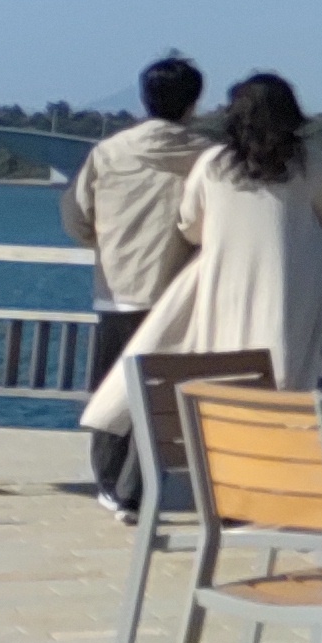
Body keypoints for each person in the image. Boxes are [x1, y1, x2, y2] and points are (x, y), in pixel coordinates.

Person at [79, 74, 322, 477]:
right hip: (293, 295)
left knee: (222, 374)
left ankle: (216, 473)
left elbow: (190, 225)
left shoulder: (214, 164)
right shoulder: (309, 162)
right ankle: (277, 473)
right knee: (291, 379)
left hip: (221, 293)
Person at [63, 55, 208, 514]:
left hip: (117, 289)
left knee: (112, 387)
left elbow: (76, 215)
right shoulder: (208, 156)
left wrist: (107, 244)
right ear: (193, 102)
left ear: (145, 98)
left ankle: (110, 482)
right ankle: (140, 483)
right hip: (180, 294)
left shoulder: (109, 151)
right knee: (164, 395)